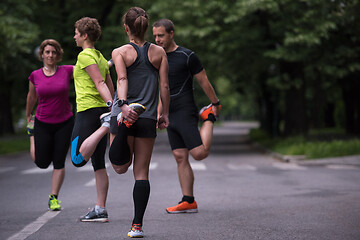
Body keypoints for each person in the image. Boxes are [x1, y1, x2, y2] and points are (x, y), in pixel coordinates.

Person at [109, 7, 169, 238]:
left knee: (120, 167)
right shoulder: (159, 53)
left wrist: (123, 106)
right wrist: (165, 114)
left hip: (123, 113)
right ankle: (137, 226)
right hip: (147, 116)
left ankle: (123, 128)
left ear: (126, 28)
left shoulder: (120, 52)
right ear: (146, 27)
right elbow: (164, 86)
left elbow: (122, 78)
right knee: (141, 173)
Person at [153, 19, 221, 214]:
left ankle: (207, 117)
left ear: (171, 34)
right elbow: (161, 89)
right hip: (169, 112)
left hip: (184, 109)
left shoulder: (187, 56)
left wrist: (215, 103)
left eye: (161, 35)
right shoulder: (156, 57)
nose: (157, 39)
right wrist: (159, 112)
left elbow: (204, 81)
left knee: (199, 153)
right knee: (179, 155)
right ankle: (188, 200)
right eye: (155, 36)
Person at [70, 17, 115, 222]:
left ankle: (105, 127)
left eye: (76, 33)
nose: (74, 36)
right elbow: (109, 85)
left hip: (89, 111)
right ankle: (100, 209)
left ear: (84, 35)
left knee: (77, 159)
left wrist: (111, 112)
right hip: (102, 111)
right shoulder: (100, 57)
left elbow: (99, 82)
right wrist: (114, 105)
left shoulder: (85, 56)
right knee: (98, 163)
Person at [25, 39, 74, 211]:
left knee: (59, 161)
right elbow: (32, 97)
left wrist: (111, 62)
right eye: (47, 52)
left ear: (58, 54)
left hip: (64, 122)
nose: (51, 55)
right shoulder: (35, 75)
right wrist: (28, 115)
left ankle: (54, 197)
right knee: (41, 162)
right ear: (42, 55)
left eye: (53, 52)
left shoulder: (67, 71)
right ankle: (32, 137)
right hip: (43, 122)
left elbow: (88, 68)